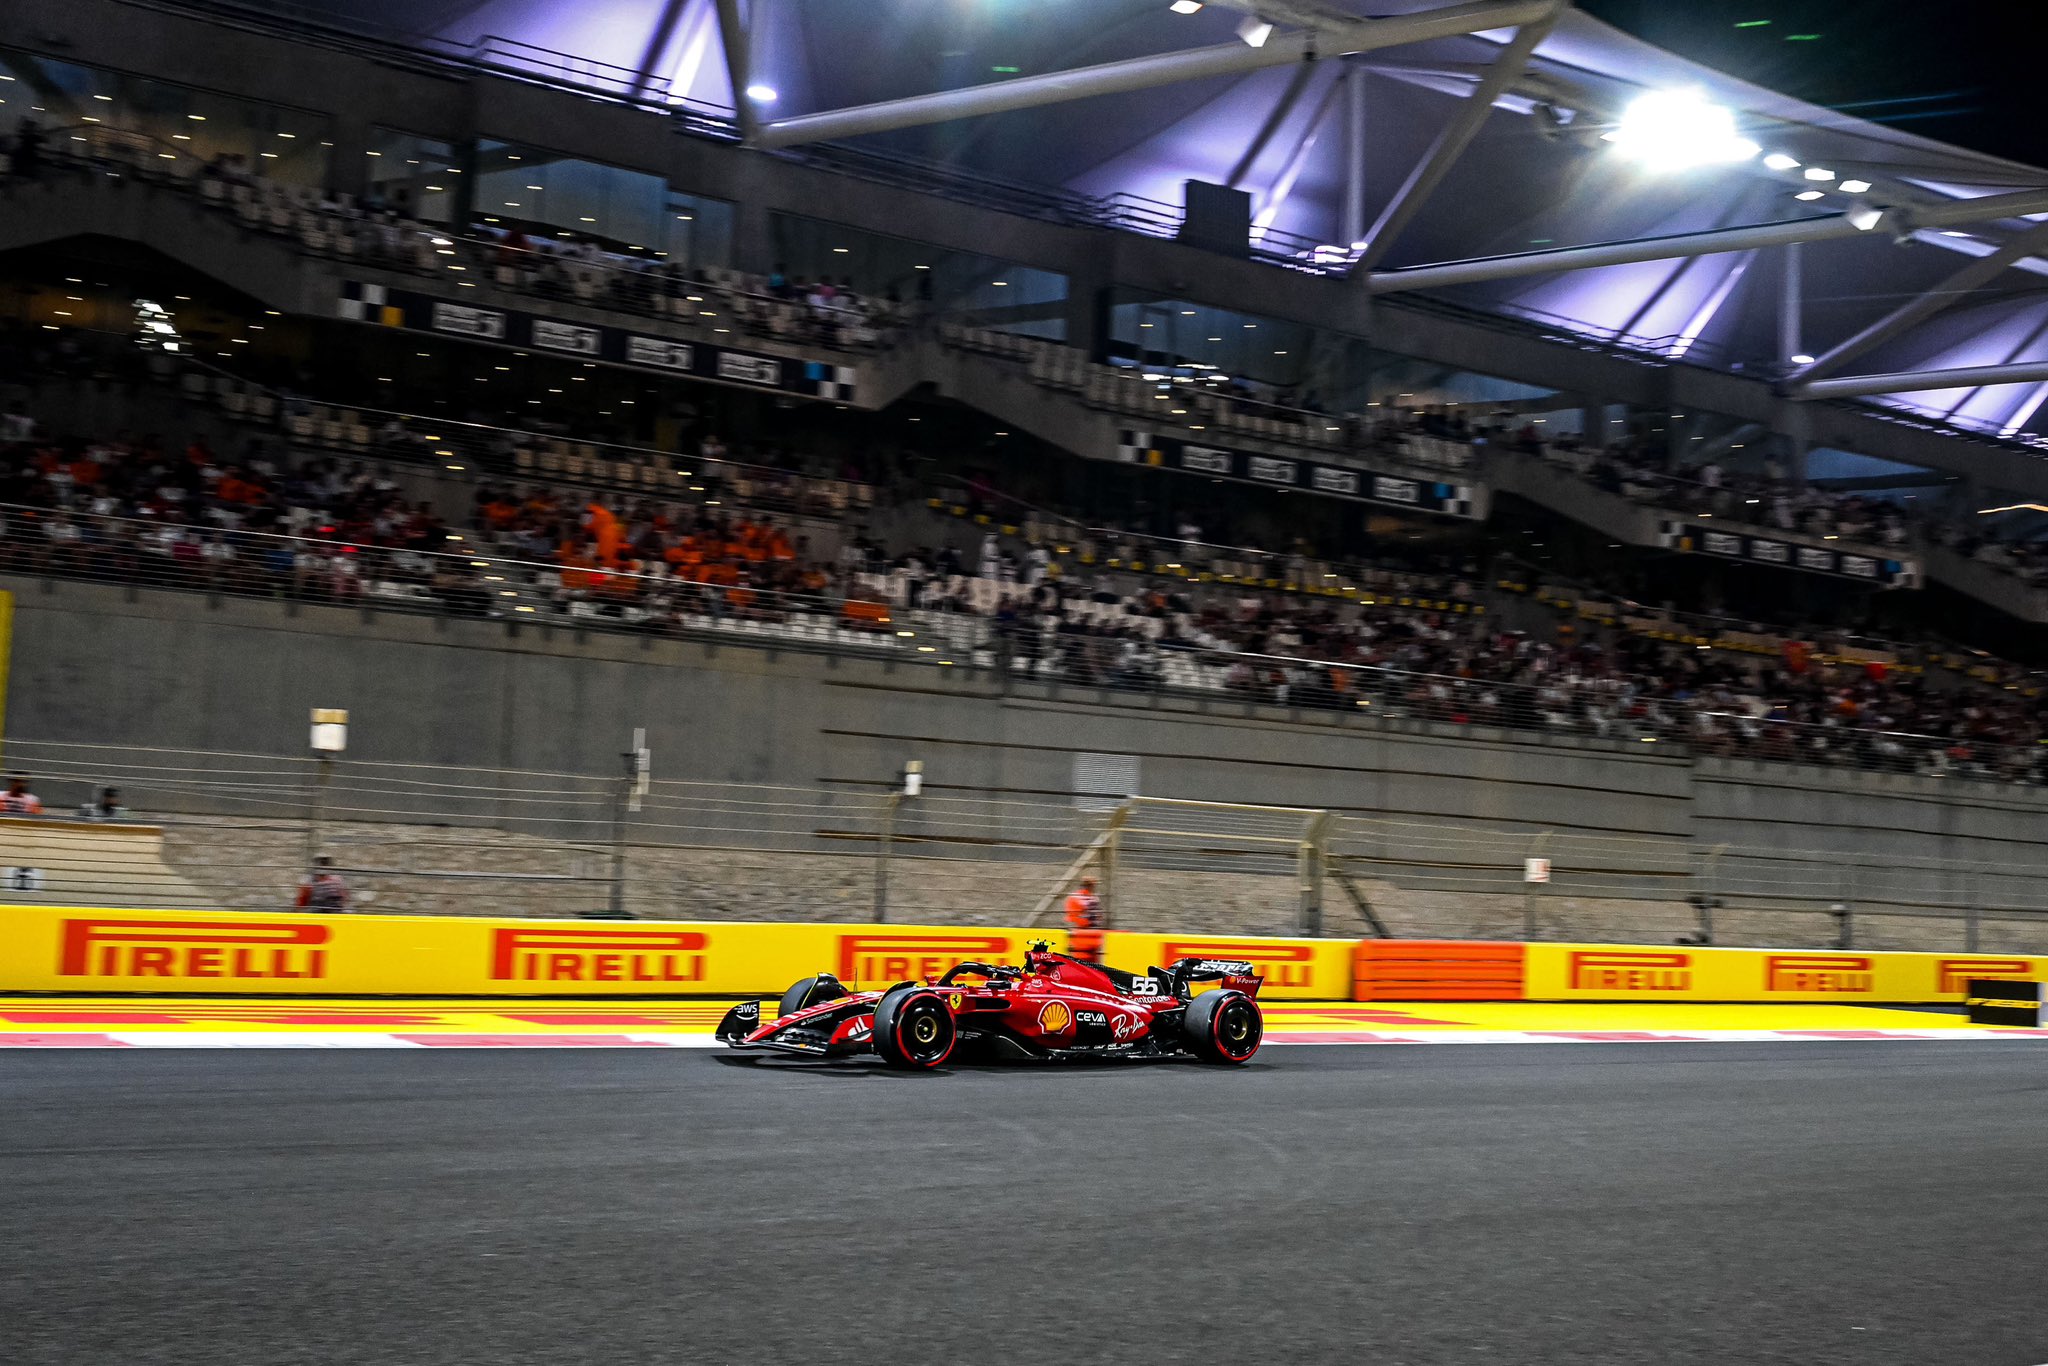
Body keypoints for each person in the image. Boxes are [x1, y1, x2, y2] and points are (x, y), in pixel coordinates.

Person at [1063, 876, 1102, 965]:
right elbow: (1098, 917)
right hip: (1089, 935)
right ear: (1091, 886)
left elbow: (1070, 918)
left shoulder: (1074, 897)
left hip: (1079, 935)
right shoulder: (1093, 898)